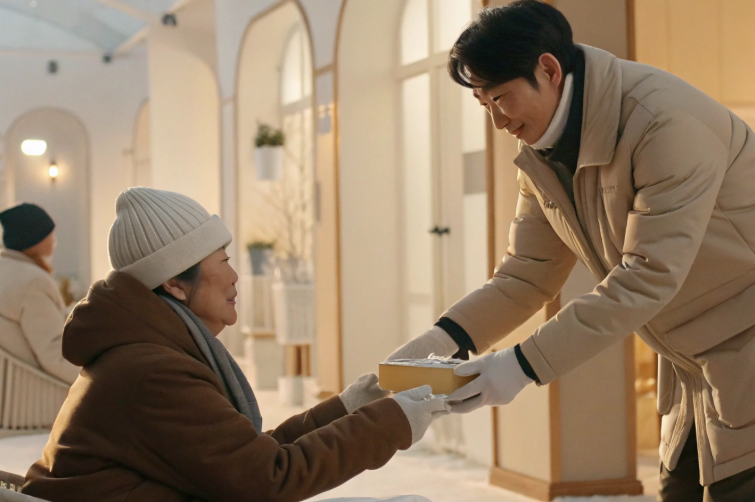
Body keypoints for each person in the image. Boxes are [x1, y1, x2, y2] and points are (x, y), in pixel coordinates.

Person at [387, 1, 755, 501]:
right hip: (696, 353)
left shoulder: (665, 122)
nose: (498, 121)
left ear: (548, 70)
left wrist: (521, 366)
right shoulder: (542, 151)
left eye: (501, 98)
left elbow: (647, 275)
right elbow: (526, 274)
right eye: (484, 105)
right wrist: (441, 340)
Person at [23, 187, 448, 502]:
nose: (234, 277)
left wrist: (350, 405)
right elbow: (269, 479)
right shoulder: (152, 372)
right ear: (174, 283)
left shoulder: (145, 352)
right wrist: (395, 419)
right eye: (223, 261)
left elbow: (243, 457)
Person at [0, 202, 79, 384]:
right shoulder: (32, 282)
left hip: (9, 386)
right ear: (35, 240)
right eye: (50, 235)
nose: (54, 241)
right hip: (36, 391)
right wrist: (99, 379)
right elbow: (54, 354)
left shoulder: (7, 270)